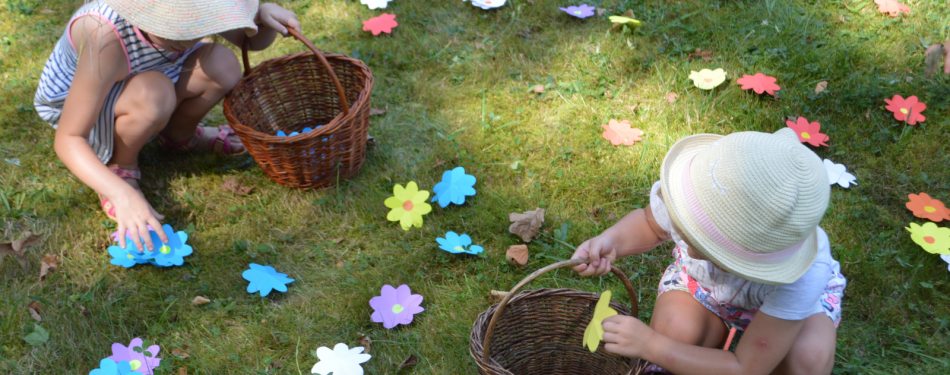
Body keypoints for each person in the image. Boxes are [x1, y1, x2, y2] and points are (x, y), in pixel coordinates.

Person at [571, 128, 847, 375]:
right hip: (702, 289)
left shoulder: (803, 275)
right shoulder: (699, 198)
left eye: (703, 242)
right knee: (675, 328)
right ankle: (703, 342)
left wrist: (652, 345)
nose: (687, 239)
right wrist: (612, 241)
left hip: (784, 313)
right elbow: (649, 224)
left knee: (807, 360)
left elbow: (746, 367)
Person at [34, 0, 299, 251]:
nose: (188, 40)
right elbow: (69, 138)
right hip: (84, 105)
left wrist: (262, 18)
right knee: (154, 93)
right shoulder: (103, 36)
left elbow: (248, 41)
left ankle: (177, 137)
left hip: (150, 78)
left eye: (197, 28)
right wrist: (120, 195)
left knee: (223, 65)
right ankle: (120, 167)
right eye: (173, 30)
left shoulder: (197, 11)